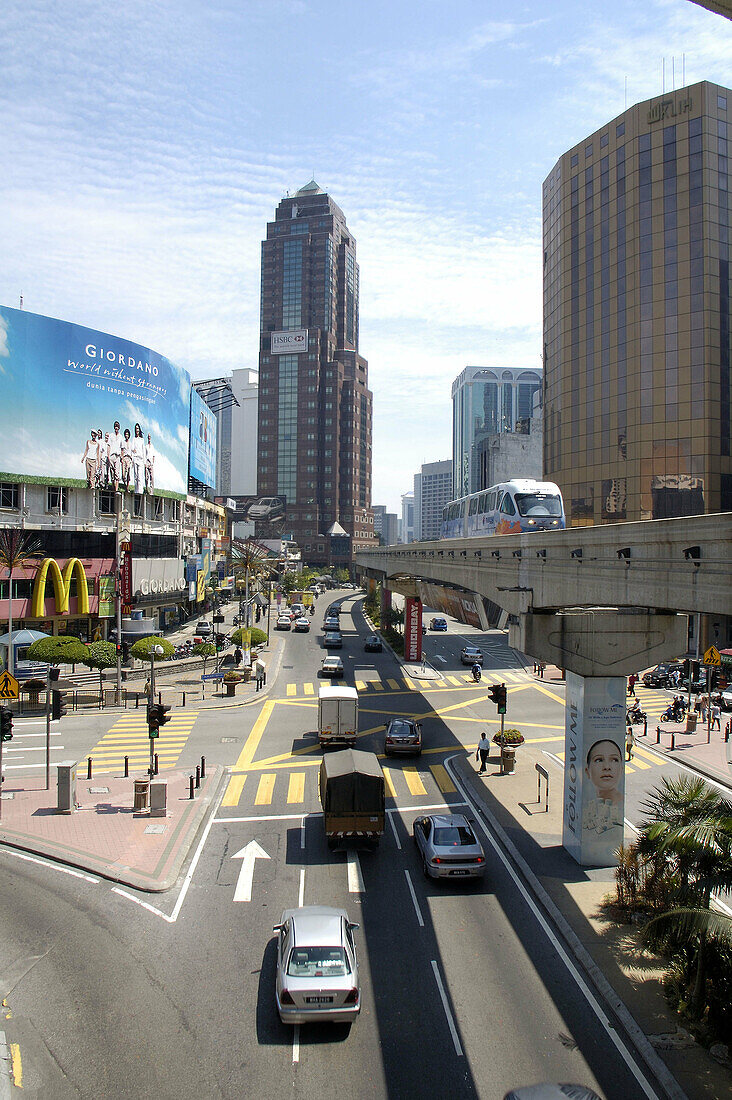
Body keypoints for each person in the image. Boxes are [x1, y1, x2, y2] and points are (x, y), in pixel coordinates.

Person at [582, 739, 624, 836]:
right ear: (587, 771)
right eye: (599, 760)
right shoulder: (588, 810)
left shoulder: (619, 809)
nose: (606, 767)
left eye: (614, 760)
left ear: (621, 769)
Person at [109, 421, 124, 492]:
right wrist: (108, 456)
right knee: (112, 473)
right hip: (111, 456)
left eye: (117, 426)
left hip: (117, 456)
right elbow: (108, 446)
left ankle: (116, 489)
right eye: (115, 426)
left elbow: (122, 448)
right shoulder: (111, 435)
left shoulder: (121, 437)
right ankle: (113, 487)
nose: (116, 428)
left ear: (119, 428)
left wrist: (121, 457)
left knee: (117, 474)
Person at [131, 423, 146, 494]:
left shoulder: (142, 439)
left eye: (138, 428)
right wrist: (133, 451)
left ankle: (140, 491)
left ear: (139, 429)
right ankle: (136, 491)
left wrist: (144, 461)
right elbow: (132, 448)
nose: (137, 430)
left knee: (140, 477)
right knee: (136, 477)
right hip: (135, 459)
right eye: (136, 429)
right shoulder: (134, 439)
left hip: (141, 459)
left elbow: (143, 451)